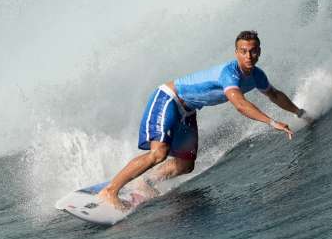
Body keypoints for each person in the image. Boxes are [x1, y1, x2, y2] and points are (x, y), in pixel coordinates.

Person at [96, 30, 309, 211]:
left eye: (253, 51)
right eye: (243, 51)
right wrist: (272, 122)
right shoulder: (229, 74)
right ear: (236, 53)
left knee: (185, 165)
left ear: (259, 52)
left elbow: (274, 94)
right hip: (169, 99)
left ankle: (146, 181)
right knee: (159, 153)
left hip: (188, 111)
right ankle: (109, 191)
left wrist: (298, 112)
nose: (248, 56)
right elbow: (240, 104)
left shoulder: (257, 76)